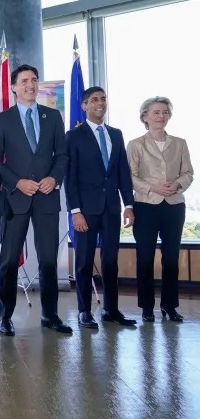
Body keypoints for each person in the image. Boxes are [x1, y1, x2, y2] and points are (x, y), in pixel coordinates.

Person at [0, 64, 71, 335]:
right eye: (24, 81)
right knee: (9, 260)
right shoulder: (3, 120)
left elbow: (62, 156)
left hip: (47, 198)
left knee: (48, 259)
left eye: (34, 80)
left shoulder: (53, 116)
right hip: (16, 199)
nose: (30, 85)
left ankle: (50, 315)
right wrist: (17, 182)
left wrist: (54, 178)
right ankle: (5, 317)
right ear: (14, 87)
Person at [65, 86, 136, 329]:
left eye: (103, 99)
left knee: (111, 262)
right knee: (84, 262)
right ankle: (84, 312)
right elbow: (70, 178)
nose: (100, 103)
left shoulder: (116, 134)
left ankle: (111, 310)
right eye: (94, 99)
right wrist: (75, 211)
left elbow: (122, 172)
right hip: (85, 211)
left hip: (111, 210)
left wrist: (128, 205)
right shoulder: (73, 136)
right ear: (84, 106)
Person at [127, 96, 194, 322]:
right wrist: (152, 187)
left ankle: (169, 305)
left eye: (165, 112)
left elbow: (188, 173)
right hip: (146, 206)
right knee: (145, 258)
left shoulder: (180, 143)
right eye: (156, 112)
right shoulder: (136, 144)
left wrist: (177, 184)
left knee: (172, 259)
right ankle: (147, 307)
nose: (161, 116)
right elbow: (130, 176)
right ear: (145, 116)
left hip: (174, 207)